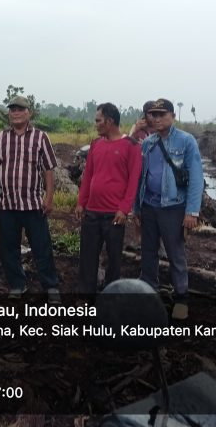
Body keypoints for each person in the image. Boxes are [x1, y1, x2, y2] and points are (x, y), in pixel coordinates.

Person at [0, 95, 62, 303]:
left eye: (20, 109)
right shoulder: (0, 138)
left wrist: (50, 197)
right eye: (12, 110)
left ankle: (51, 285)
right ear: (9, 114)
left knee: (41, 247)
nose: (16, 113)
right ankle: (17, 284)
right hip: (8, 204)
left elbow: (48, 169)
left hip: (33, 204)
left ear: (29, 113)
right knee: (8, 248)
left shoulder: (40, 137)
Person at [134, 99, 204, 320]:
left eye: (162, 114)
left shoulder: (186, 141)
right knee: (147, 252)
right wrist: (136, 208)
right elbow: (141, 178)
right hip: (149, 206)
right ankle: (148, 293)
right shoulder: (148, 143)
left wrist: (192, 211)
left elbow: (196, 178)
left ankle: (181, 297)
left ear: (173, 116)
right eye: (153, 115)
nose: (156, 118)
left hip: (173, 207)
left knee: (175, 253)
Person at [75, 103, 142, 294]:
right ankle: (85, 294)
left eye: (98, 120)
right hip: (92, 211)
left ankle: (111, 294)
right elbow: (88, 175)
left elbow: (133, 181)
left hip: (114, 214)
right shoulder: (96, 144)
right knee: (88, 255)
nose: (96, 124)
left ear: (110, 121)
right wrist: (81, 202)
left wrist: (124, 209)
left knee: (114, 258)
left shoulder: (131, 146)